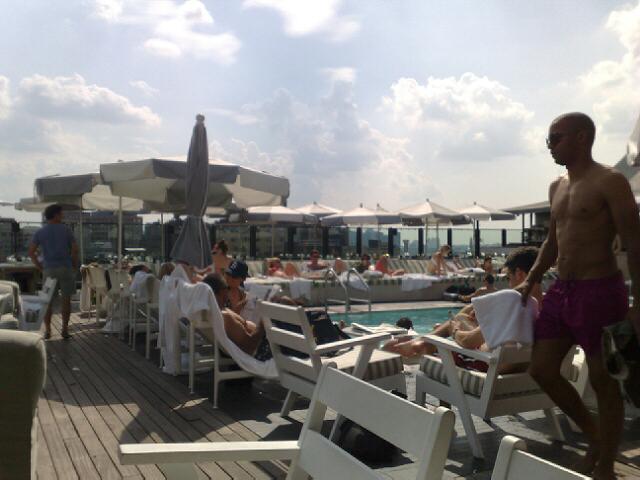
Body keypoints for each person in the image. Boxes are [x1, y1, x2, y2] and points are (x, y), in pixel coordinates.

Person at [519, 112, 640, 480]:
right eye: (548, 140)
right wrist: (532, 279)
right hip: (562, 291)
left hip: (600, 292)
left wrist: (638, 303)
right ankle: (595, 437)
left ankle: (605, 465)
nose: (549, 146)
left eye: (555, 138)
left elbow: (635, 242)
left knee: (605, 382)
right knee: (541, 369)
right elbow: (552, 243)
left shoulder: (611, 182)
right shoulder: (557, 186)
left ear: (582, 137)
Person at [383, 247, 541, 361]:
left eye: (509, 278)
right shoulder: (543, 306)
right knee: (461, 319)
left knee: (455, 323)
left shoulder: (512, 300)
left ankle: (423, 343)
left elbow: (468, 341)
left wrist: (454, 330)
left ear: (520, 274)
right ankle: (423, 342)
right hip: (523, 372)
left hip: (487, 367)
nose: (509, 283)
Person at [28, 204, 79, 340]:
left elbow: (31, 252)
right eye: (61, 213)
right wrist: (74, 266)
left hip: (49, 270)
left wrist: (40, 267)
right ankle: (64, 330)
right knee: (66, 300)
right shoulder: (66, 230)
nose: (63, 215)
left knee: (47, 301)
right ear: (56, 215)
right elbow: (74, 250)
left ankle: (48, 331)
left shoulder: (41, 232)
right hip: (65, 268)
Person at [202, 273, 266, 356]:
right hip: (261, 349)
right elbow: (250, 347)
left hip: (260, 343)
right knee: (284, 301)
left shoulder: (213, 313)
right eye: (226, 291)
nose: (227, 297)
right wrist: (264, 321)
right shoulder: (225, 318)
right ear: (219, 292)